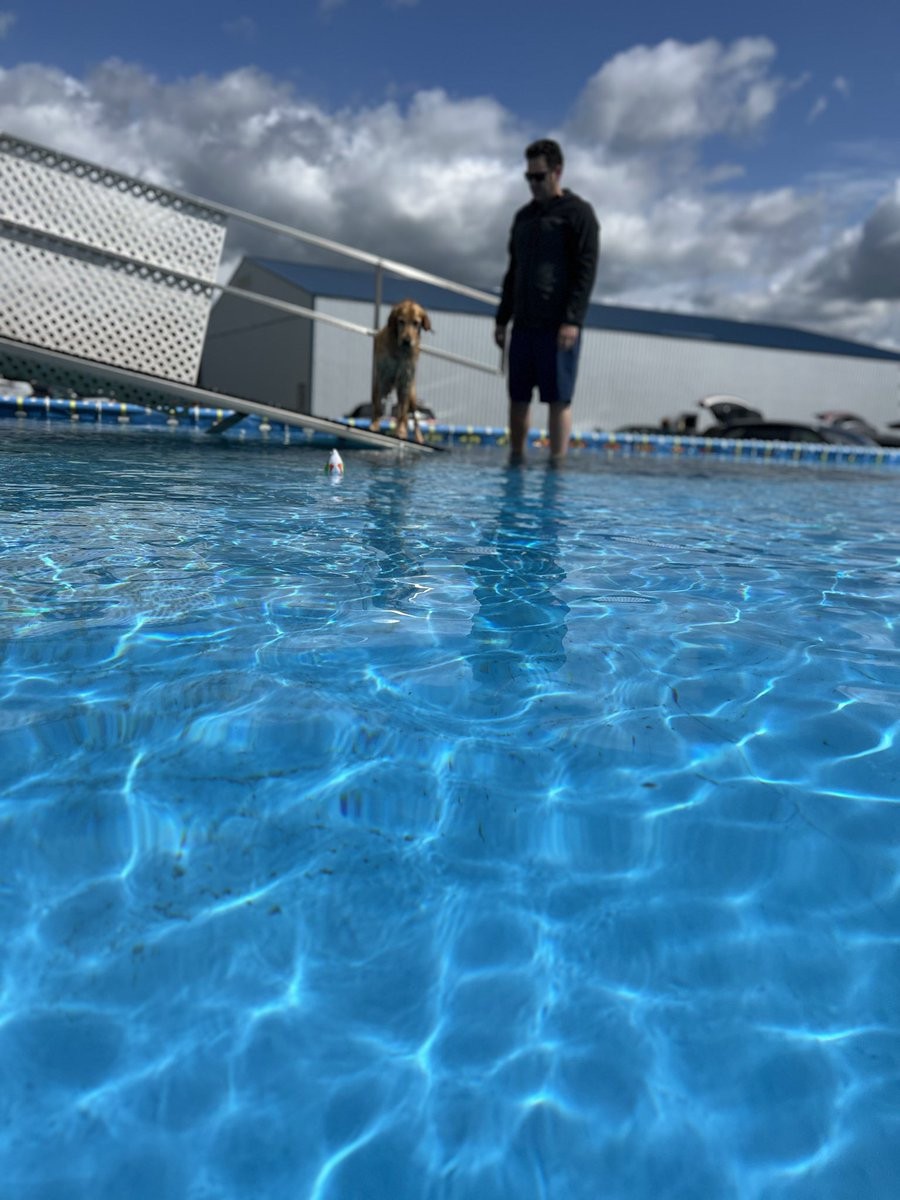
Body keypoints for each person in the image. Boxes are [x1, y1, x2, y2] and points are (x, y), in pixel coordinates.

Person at [494, 139, 600, 465]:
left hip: (558, 326)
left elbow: (586, 270)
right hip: (524, 323)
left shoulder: (578, 214)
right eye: (529, 177)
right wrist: (502, 319)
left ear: (557, 172)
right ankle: (516, 461)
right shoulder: (523, 217)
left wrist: (572, 319)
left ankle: (557, 465)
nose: (533, 184)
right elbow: (513, 270)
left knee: (558, 398)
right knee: (518, 397)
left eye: (539, 177)